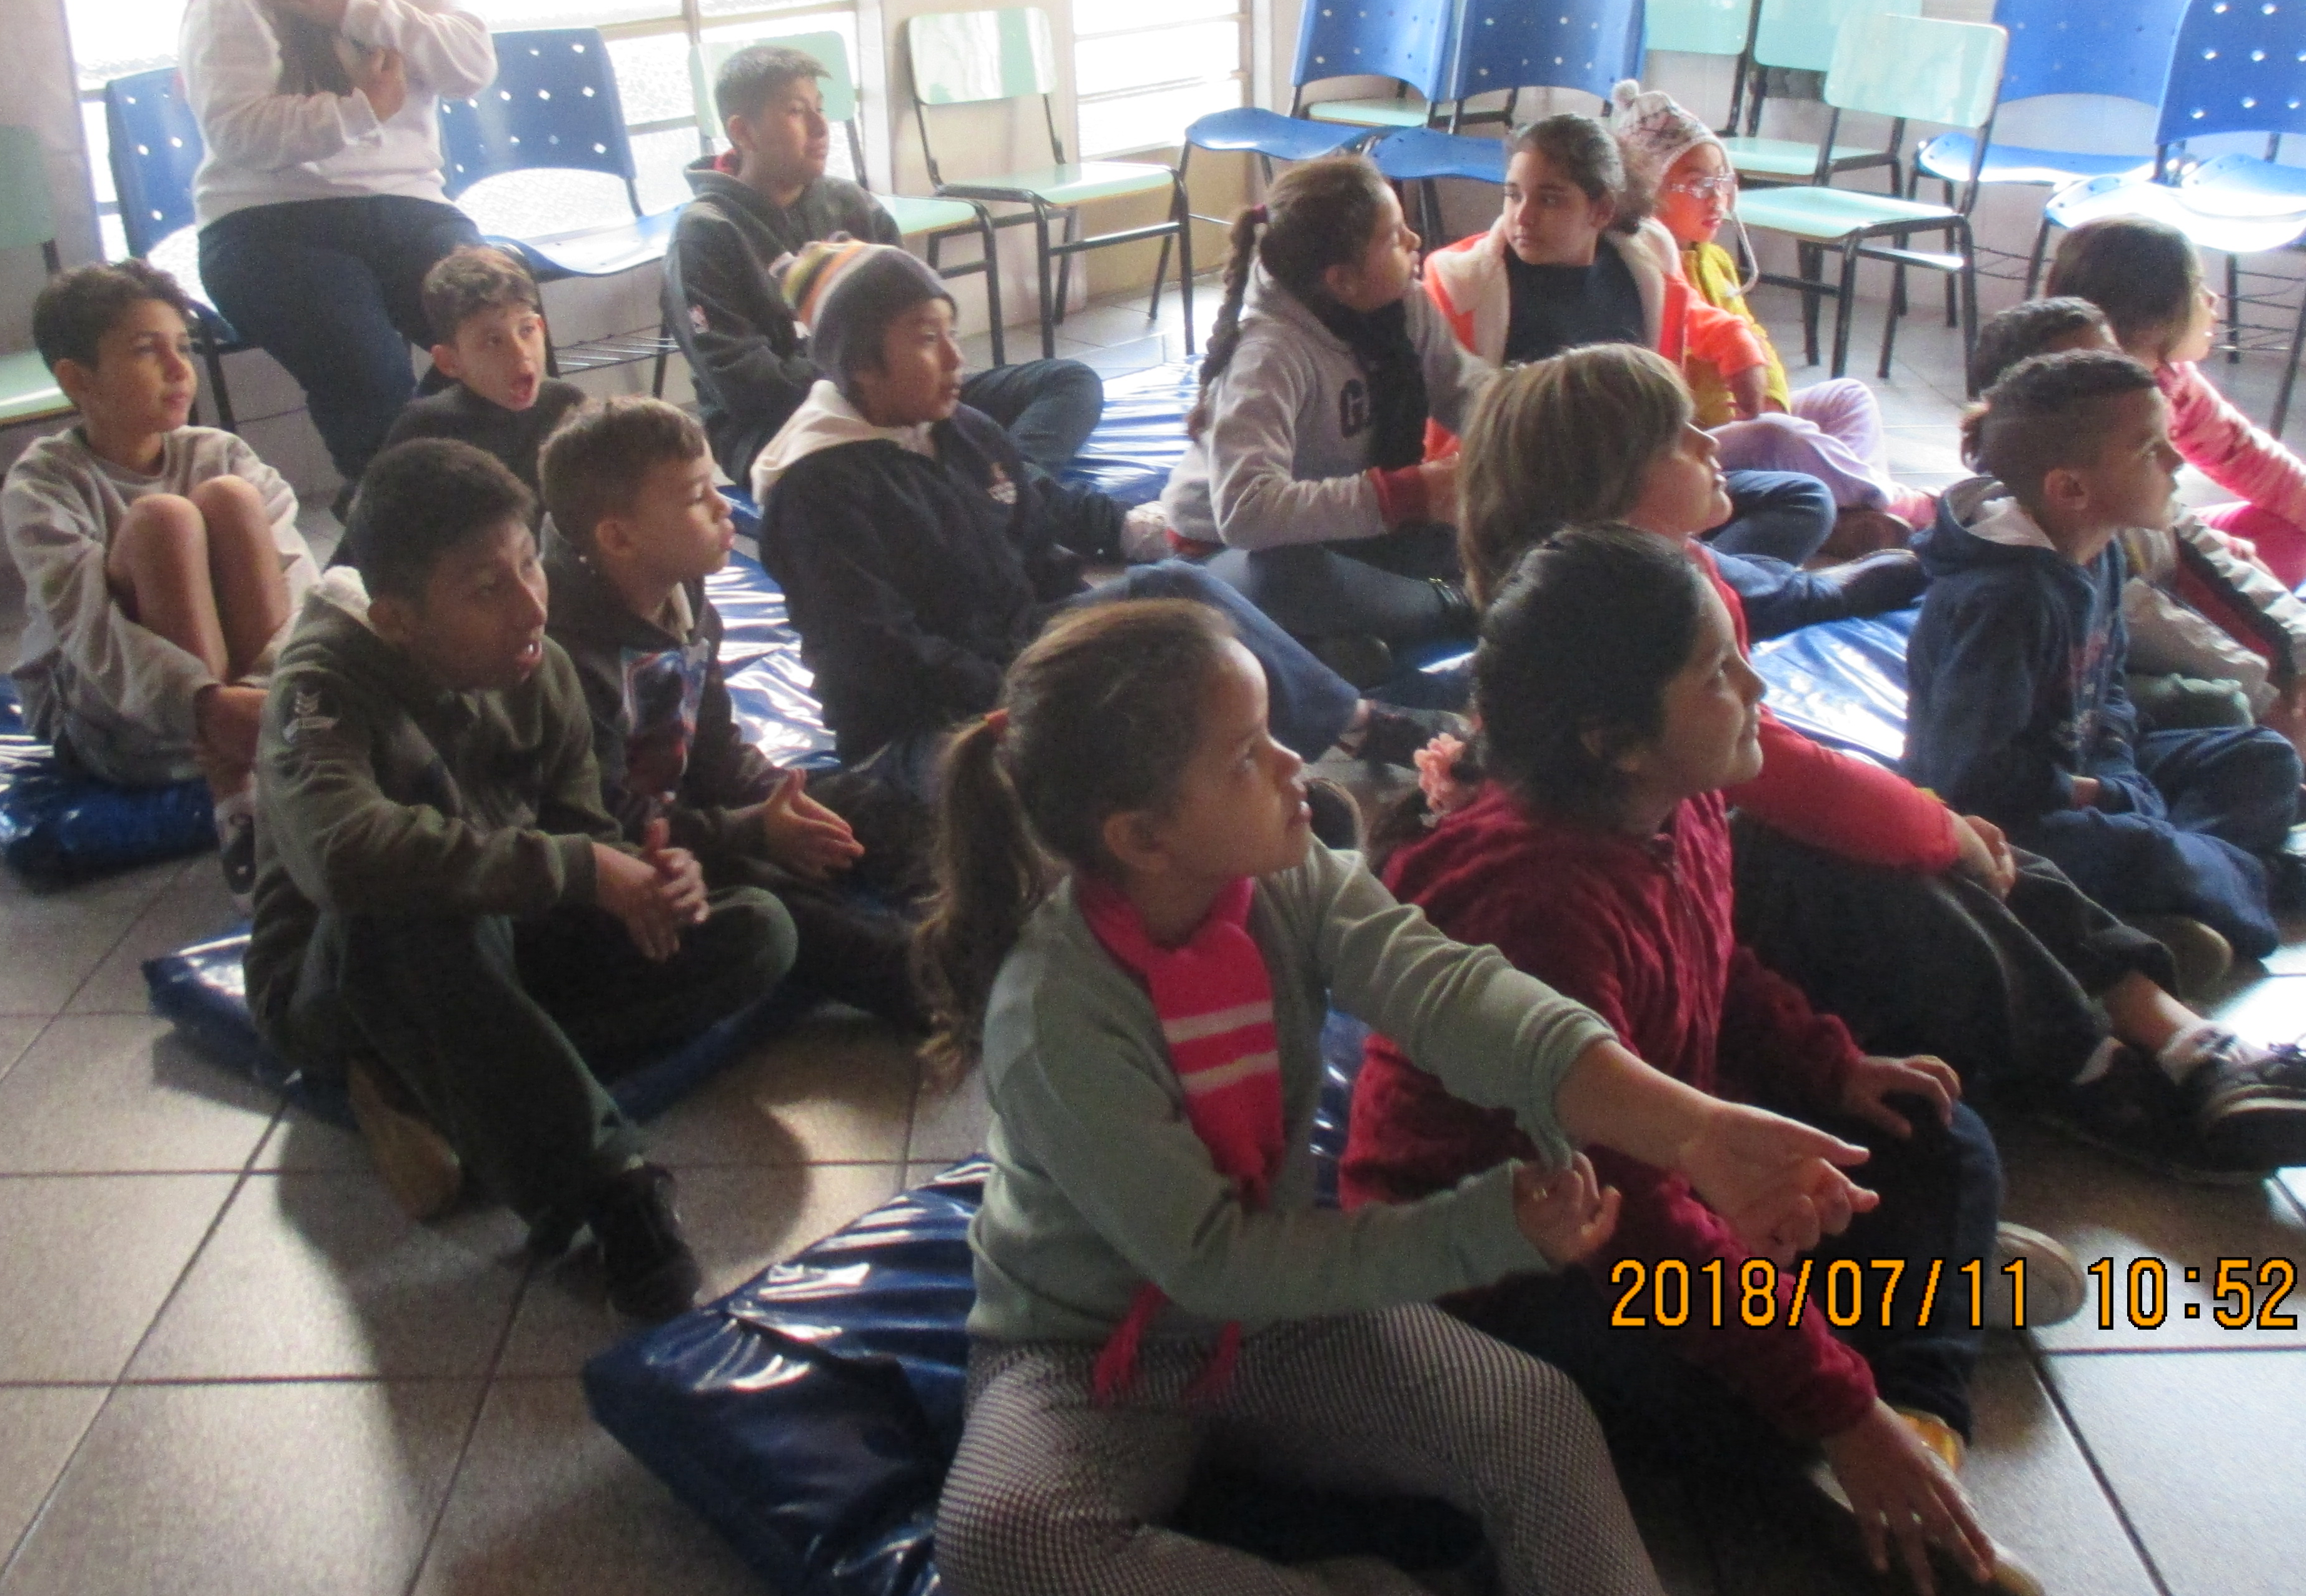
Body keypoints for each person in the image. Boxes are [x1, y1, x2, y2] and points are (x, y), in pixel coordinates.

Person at [924, 593, 1886, 1596]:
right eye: (1248, 756)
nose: (1296, 765)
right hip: (1089, 1357)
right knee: (1007, 1538)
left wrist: (1691, 1131)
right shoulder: (1056, 1019)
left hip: (1284, 1323)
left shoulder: (1291, 880)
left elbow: (1452, 993)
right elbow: (1214, 1262)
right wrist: (1478, 1230)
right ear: (1142, 839)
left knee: (1536, 1417)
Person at [1448, 346, 2306, 1183]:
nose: (1713, 440)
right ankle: (2110, 1077)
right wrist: (1932, 827)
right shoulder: (1604, 630)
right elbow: (1772, 773)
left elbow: (1774, 702)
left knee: (1955, 843)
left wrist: (1927, 811)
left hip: (1712, 852)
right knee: (1887, 868)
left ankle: (2193, 1044)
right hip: (1679, 893)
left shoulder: (1687, 569)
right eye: (1678, 435)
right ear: (1605, 487)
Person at [1341, 526, 2042, 1596]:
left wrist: (1835, 1067)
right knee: (1673, 1374)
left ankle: (1918, 1412)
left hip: (1664, 1163)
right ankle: (1862, 1416)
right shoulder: (1531, 902)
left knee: (1937, 1137)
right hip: (1525, 1255)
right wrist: (1838, 1410)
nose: (1756, 686)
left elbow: (1718, 964)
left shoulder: (1685, 798)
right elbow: (1625, 1218)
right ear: (1614, 741)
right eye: (1718, 672)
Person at [243, 438, 797, 1317]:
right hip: (340, 967)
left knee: (757, 931)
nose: (530, 605)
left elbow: (580, 836)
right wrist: (580, 867)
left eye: (528, 565)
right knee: (419, 904)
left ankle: (424, 1075)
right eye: (485, 590)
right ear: (398, 620)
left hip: (502, 933)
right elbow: (343, 855)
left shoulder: (537, 663)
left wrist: (648, 876)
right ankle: (609, 1186)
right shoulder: (319, 686)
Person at [752, 244, 1441, 802]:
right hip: (926, 726)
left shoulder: (965, 431)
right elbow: (882, 660)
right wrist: (1042, 685)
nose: (957, 360)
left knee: (1173, 589)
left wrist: (1092, 638)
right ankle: (1226, 813)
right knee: (1071, 759)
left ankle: (1359, 726)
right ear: (861, 365)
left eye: (952, 334)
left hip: (1027, 655)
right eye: (926, 340)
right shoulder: (817, 490)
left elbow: (1041, 558)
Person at [1909, 350, 2306, 965]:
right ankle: (2265, 878)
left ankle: (2174, 894)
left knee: (2264, 758)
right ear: (2071, 488)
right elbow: (1970, 777)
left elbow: (2107, 687)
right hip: (2008, 817)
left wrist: (2119, 773)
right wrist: (2101, 795)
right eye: (2150, 450)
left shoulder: (2101, 551)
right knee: (2135, 847)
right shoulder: (2008, 600)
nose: (2176, 461)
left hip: (2088, 771)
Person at [1421, 114, 1921, 638]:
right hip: (1558, 503)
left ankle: (1689, 587)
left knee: (1804, 498)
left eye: (1549, 199)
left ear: (1601, 210)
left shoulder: (1641, 261)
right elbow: (1464, 437)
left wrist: (1739, 348)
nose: (1522, 216)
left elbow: (1695, 317)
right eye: (1513, 195)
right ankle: (1756, 594)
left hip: (1650, 477)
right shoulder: (1465, 285)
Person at [540, 394, 927, 1032]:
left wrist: (779, 801)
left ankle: (973, 902)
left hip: (698, 812)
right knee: (779, 903)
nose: (725, 507)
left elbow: (715, 745)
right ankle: (940, 981)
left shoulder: (685, 591)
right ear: (618, 537)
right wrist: (755, 832)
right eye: (698, 497)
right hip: (646, 860)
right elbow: (615, 836)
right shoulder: (571, 666)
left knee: (853, 801)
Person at [181, 0, 495, 489]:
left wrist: (350, 9)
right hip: (268, 223)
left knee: (500, 322)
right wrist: (360, 111)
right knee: (368, 371)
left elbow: (472, 66)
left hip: (410, 207)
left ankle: (458, 499)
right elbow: (238, 131)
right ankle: (410, 519)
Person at [663, 41, 1102, 487]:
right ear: (743, 132)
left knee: (1069, 382)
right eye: (796, 112)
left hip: (897, 394)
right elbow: (746, 385)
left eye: (820, 108)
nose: (821, 127)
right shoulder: (706, 234)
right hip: (787, 428)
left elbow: (916, 316)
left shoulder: (850, 204)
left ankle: (1010, 486)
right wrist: (869, 381)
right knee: (872, 471)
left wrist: (911, 383)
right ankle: (1001, 489)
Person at [1973, 298, 2306, 774]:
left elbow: (2214, 562)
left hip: (2181, 634)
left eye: (2116, 358)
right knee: (2218, 703)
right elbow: (2151, 625)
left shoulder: (2129, 476)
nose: (2120, 375)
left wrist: (2301, 663)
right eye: (2088, 370)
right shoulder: (2049, 522)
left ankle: (2298, 744)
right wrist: (2265, 689)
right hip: (2113, 665)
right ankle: (2288, 752)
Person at [3, 261, 316, 881]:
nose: (178, 369)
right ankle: (235, 795)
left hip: (250, 713)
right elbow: (90, 631)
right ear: (78, 379)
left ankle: (247, 748)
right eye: (148, 351)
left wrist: (263, 700)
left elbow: (296, 578)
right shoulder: (43, 484)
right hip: (122, 724)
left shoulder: (221, 454)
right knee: (163, 521)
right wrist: (206, 706)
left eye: (183, 347)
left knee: (230, 498)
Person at [1163, 153, 1487, 680]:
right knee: (1285, 575)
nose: (1415, 241)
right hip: (1227, 551)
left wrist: (1530, 424)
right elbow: (1247, 513)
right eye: (1394, 237)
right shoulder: (1269, 356)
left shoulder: (1404, 303)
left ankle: (1345, 639)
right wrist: (1407, 495)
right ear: (1343, 280)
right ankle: (1456, 607)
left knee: (1493, 523)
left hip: (1343, 528)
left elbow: (1464, 389)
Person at [1611, 81, 1933, 550]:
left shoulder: (1713, 259)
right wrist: (1759, 410)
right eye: (1699, 184)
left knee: (1848, 397)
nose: (1718, 199)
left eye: (1724, 181)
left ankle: (1853, 514)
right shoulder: (1639, 262)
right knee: (1777, 436)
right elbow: (1708, 335)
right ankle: (1901, 505)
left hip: (1742, 416)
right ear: (1648, 195)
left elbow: (1753, 335)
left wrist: (1772, 399)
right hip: (1696, 438)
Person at [2047, 214, 2306, 622]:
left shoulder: (2172, 379)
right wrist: (2226, 555)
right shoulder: (2078, 396)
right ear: (2149, 313)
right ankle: (2263, 622)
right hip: (2104, 561)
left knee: (2301, 526)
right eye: (2197, 287)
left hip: (2165, 539)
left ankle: (2261, 614)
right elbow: (2115, 530)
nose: (2213, 300)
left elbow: (2253, 458)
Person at [375, 244, 583, 503]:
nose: (520, 353)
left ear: (541, 329)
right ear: (449, 362)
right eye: (493, 341)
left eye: (526, 330)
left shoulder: (567, 405)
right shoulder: (424, 431)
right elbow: (378, 520)